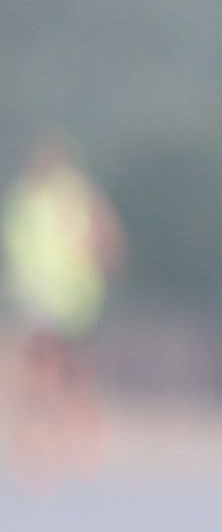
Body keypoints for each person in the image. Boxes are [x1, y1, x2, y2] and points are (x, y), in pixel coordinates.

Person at [6, 135, 124, 476]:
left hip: (73, 298)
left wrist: (101, 265)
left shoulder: (76, 195)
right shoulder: (25, 199)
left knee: (71, 371)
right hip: (38, 297)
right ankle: (41, 439)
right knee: (40, 367)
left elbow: (107, 239)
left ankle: (75, 436)